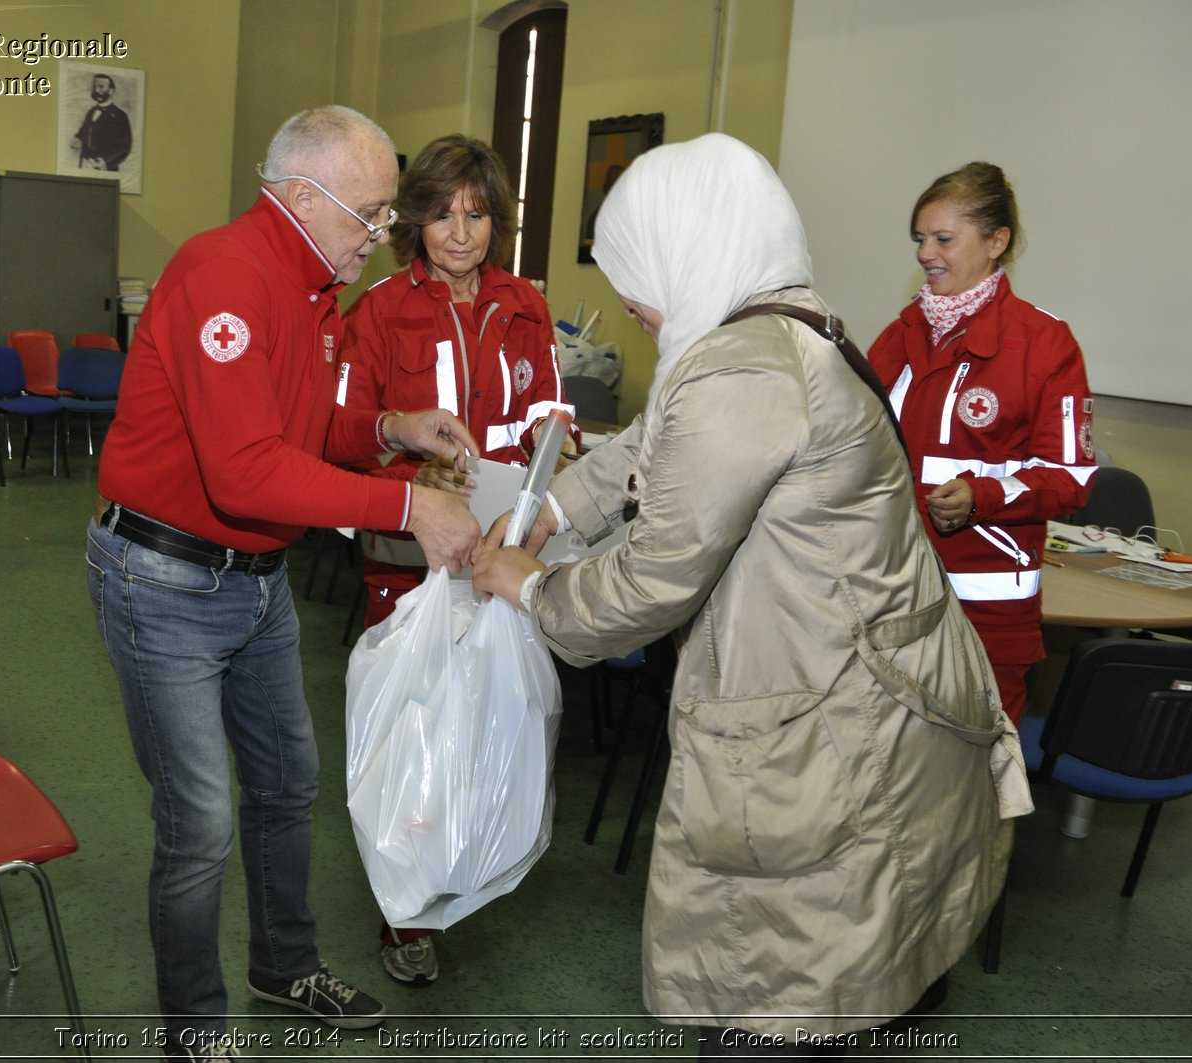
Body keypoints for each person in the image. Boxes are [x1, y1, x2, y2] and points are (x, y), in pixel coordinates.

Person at [472, 133, 1028, 1059]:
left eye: (636, 274)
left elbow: (658, 574)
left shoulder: (742, 367)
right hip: (888, 696)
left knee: (779, 1000)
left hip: (835, 725)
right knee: (867, 964)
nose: (632, 302)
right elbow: (644, 447)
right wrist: (551, 514)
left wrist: (535, 588)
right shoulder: (785, 326)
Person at [86, 105, 481, 1061]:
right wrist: (406, 508)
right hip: (164, 578)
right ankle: (195, 1029)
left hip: (253, 580)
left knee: (285, 785)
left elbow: (307, 434)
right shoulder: (227, 274)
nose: (381, 236)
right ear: (304, 198)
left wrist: (393, 429)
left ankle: (283, 962)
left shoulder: (313, 290)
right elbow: (247, 471)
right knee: (201, 818)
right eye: (373, 214)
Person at [338, 133, 573, 986]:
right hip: (410, 562)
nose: (462, 233)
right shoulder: (377, 311)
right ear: (415, 222)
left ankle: (467, 864)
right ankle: (402, 913)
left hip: (500, 557)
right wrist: (410, 468)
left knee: (480, 727)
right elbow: (346, 437)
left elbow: (551, 416)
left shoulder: (526, 307)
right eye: (443, 215)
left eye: (476, 214)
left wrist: (552, 449)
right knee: (408, 732)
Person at [866, 162, 1097, 727]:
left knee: (980, 774)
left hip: (985, 607)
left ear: (997, 242)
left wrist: (983, 496)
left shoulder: (1044, 343)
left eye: (943, 238)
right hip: (885, 590)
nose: (925, 253)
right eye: (920, 239)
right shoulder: (900, 335)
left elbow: (1071, 478)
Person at [73, 72, 132, 171]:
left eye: (101, 87)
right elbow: (84, 131)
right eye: (95, 86)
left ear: (111, 91)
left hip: (106, 169)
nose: (96, 90)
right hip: (85, 165)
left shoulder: (120, 116)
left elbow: (125, 146)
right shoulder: (91, 111)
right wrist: (77, 138)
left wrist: (106, 162)